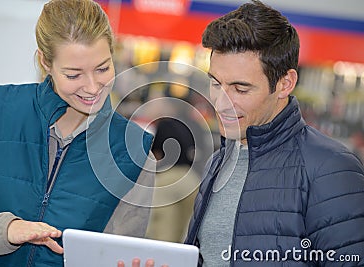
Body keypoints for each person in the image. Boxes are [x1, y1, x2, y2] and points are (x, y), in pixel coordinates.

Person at [124, 0, 364, 266]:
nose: (222, 102)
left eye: (241, 88)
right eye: (215, 83)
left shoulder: (331, 169)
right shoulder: (219, 161)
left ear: (285, 84)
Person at [0, 0, 155, 266]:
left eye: (102, 68)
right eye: (74, 75)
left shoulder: (136, 152)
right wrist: (6, 230)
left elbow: (117, 256)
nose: (92, 88)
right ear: (45, 61)